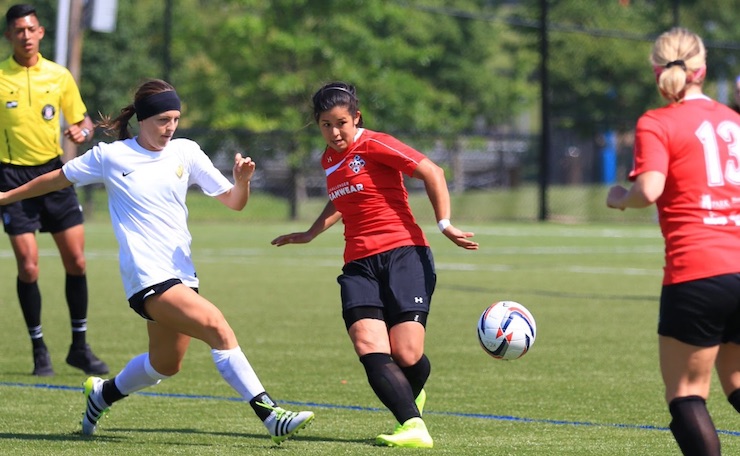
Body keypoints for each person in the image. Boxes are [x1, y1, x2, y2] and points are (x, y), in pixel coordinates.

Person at [0, 78, 315, 443]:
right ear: (144, 119)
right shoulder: (111, 156)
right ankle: (270, 414)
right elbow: (56, 179)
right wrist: (7, 196)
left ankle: (101, 395)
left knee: (165, 364)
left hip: (182, 274)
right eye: (163, 119)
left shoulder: (186, 151)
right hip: (146, 277)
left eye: (176, 119)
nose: (171, 128)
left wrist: (242, 182)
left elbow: (234, 202)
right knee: (218, 327)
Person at [272, 82, 478, 448]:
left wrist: (445, 224)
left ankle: (412, 395)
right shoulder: (328, 159)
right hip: (358, 263)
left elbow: (433, 171)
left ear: (356, 117)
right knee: (368, 343)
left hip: (404, 254)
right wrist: (310, 233)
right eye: (325, 125)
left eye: (341, 123)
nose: (334, 132)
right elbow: (342, 199)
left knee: (407, 354)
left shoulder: (375, 143)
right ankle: (414, 427)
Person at [606, 28, 740, 456]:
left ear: (655, 70)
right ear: (704, 68)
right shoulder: (734, 122)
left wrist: (620, 199)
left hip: (697, 270)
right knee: (736, 383)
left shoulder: (657, 121)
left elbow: (649, 189)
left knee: (687, 394)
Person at [0, 4, 108, 377]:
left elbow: (83, 121)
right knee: (29, 267)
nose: (26, 36)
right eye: (18, 30)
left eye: (31, 29)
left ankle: (79, 347)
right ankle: (39, 349)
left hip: (55, 173)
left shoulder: (59, 76)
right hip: (12, 178)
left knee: (76, 262)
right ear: (9, 36)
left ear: (41, 32)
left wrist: (82, 131)